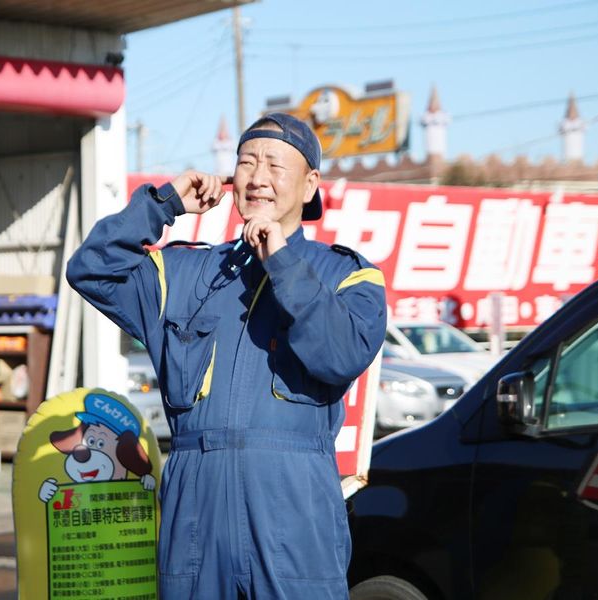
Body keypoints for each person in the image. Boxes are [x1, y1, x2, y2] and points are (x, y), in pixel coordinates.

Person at [66, 112, 387, 599]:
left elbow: (340, 355)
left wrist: (282, 264)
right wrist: (165, 204)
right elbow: (92, 270)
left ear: (309, 185)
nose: (258, 178)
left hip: (294, 515)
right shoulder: (186, 271)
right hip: (196, 513)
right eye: (246, 163)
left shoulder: (346, 276)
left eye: (276, 166)